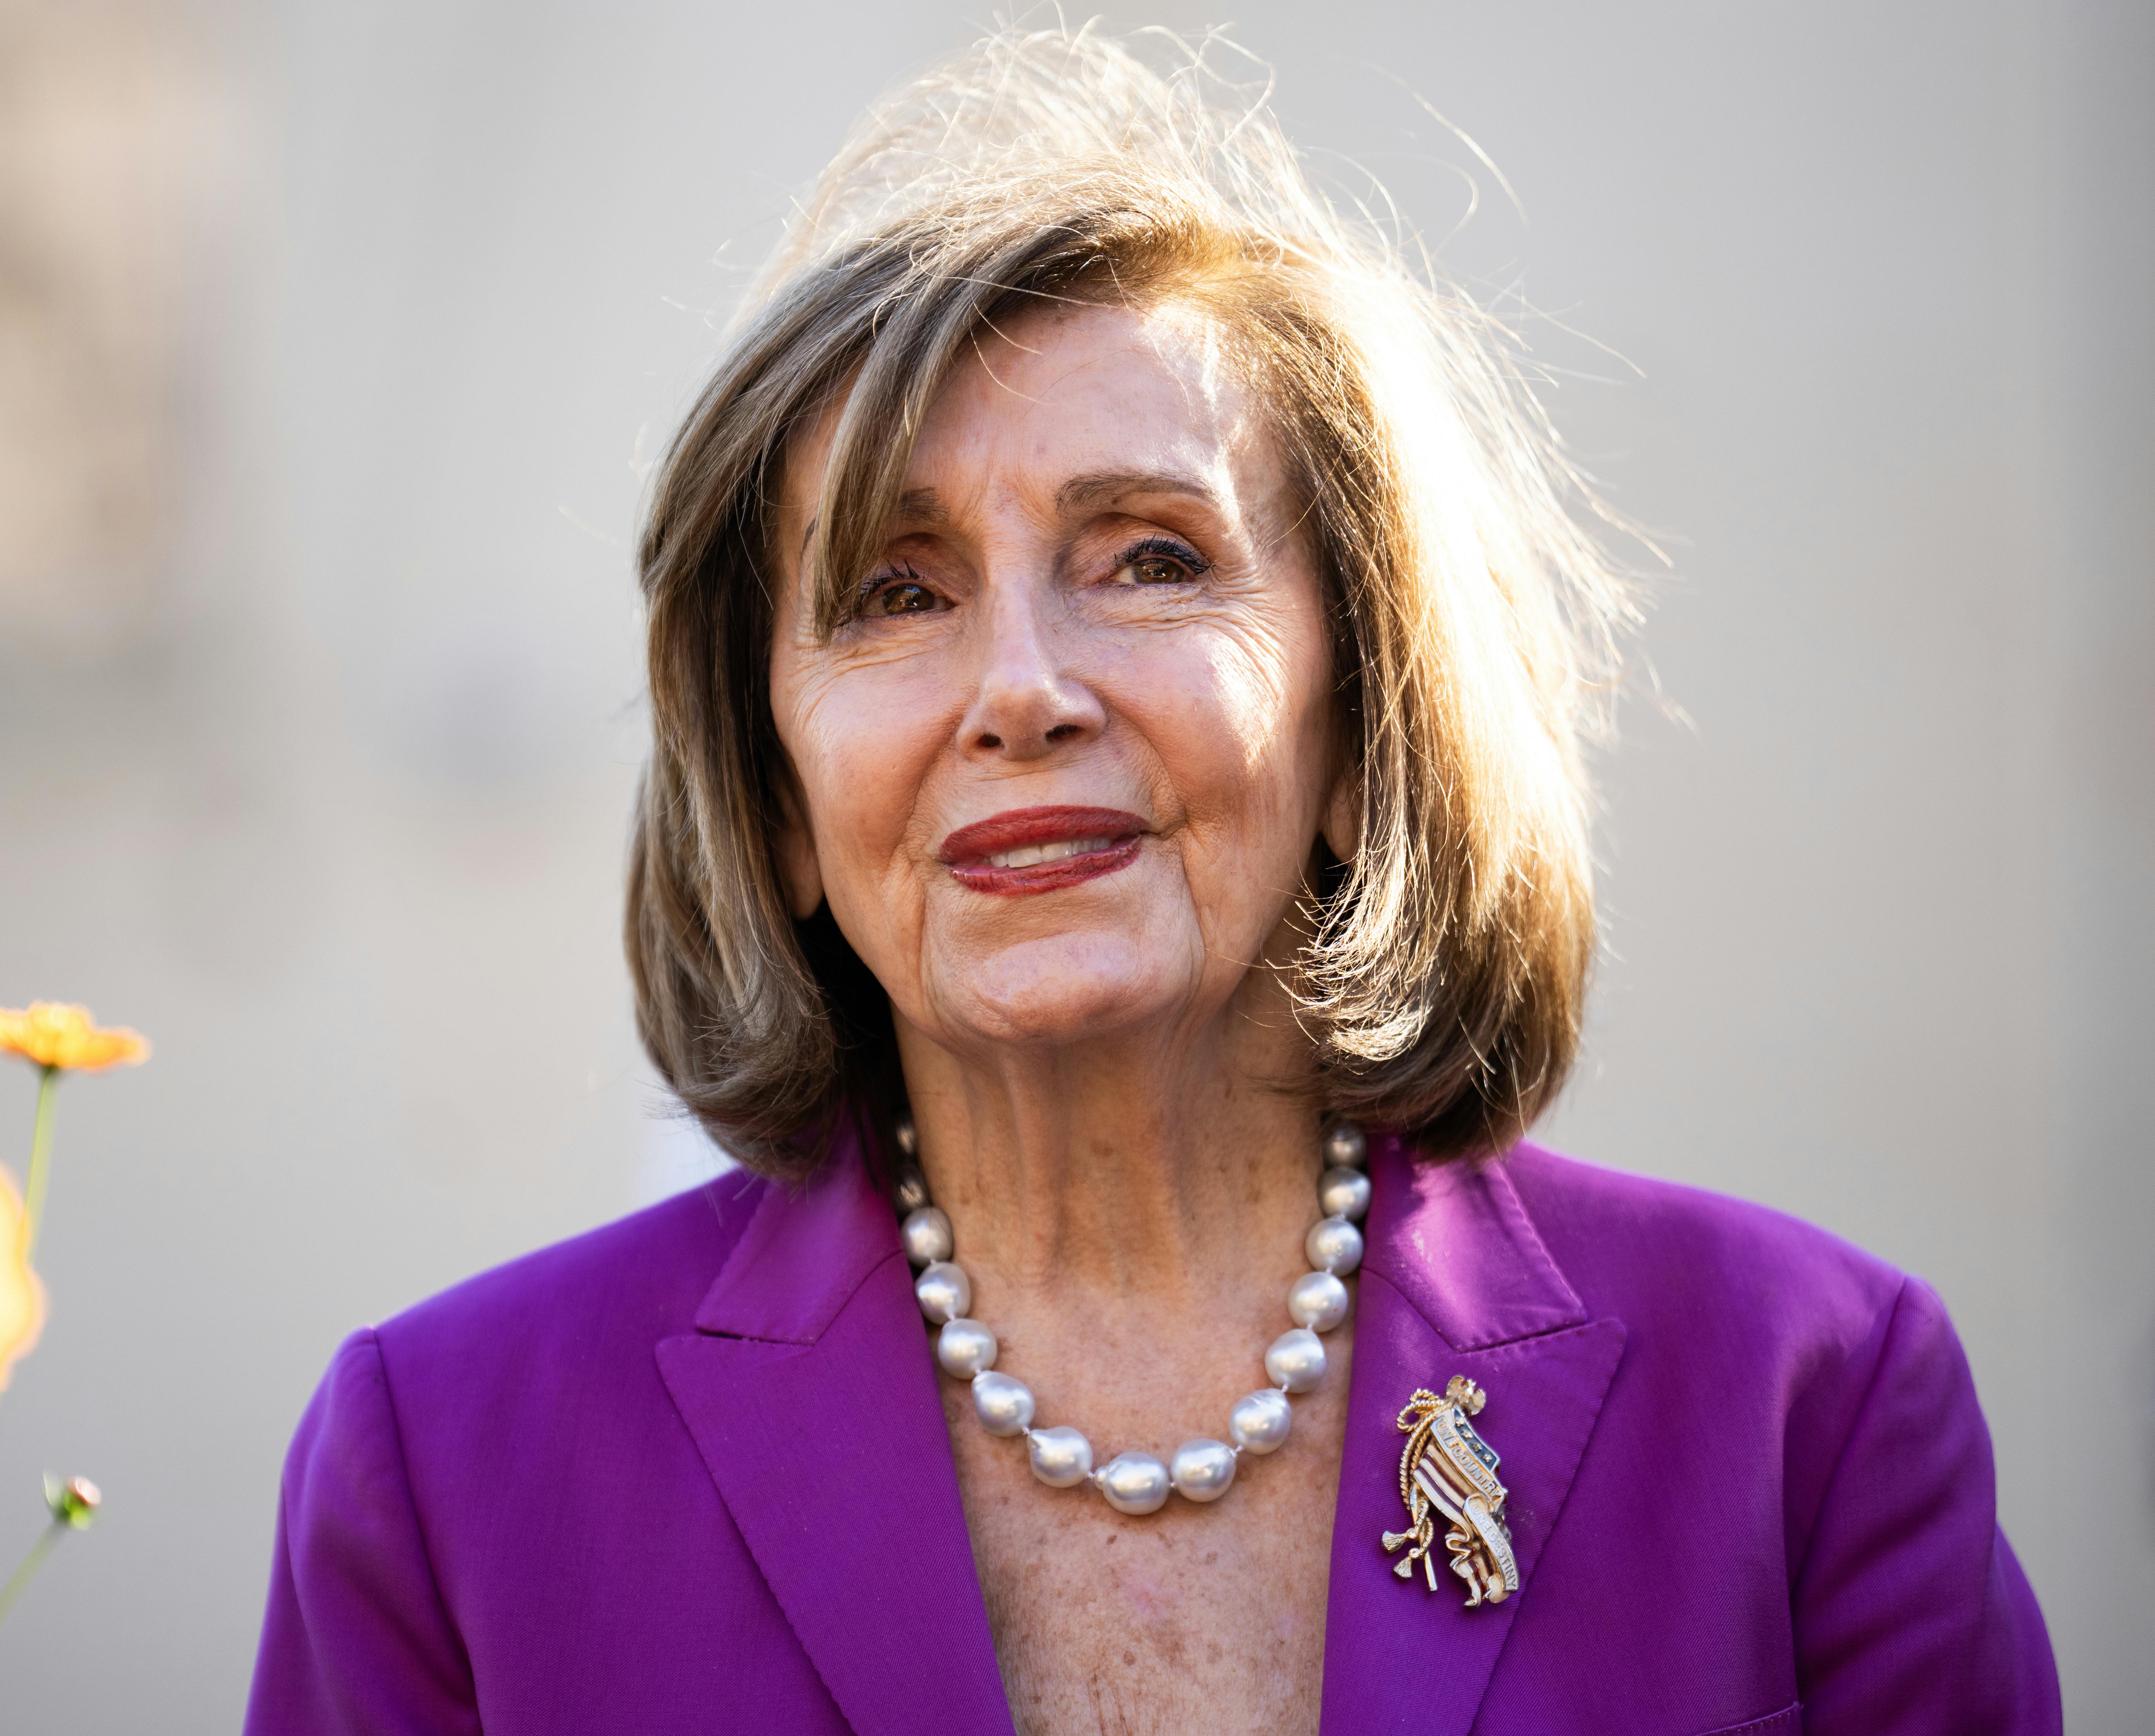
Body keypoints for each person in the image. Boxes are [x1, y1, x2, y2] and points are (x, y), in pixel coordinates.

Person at [243, 28, 2057, 1736]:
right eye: (894, 592)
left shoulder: (1804, 1407)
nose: (1021, 690)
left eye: (1151, 559)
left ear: (1363, 724)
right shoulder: (450, 1473)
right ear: (779, 796)